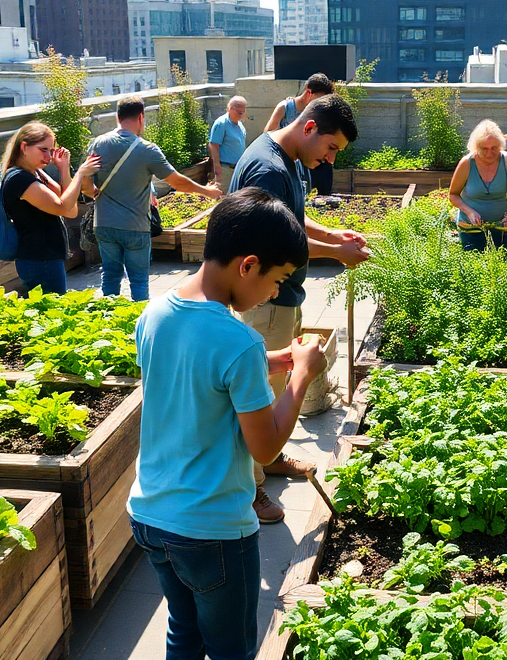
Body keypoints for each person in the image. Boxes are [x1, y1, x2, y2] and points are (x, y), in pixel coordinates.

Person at [128, 188, 327, 660]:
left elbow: (202, 375)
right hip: (212, 531)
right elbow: (264, 448)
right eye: (277, 279)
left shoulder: (155, 312)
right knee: (231, 648)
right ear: (248, 265)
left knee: (185, 630)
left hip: (153, 516)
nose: (276, 291)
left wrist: (275, 359)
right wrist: (300, 375)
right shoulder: (237, 340)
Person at [228, 93, 369, 522]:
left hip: (283, 295)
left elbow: (291, 219)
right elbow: (273, 243)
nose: (329, 160)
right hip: (265, 298)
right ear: (310, 127)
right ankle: (250, 492)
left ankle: (268, 462)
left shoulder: (287, 157)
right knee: (256, 394)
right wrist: (336, 255)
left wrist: (333, 233)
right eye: (330, 149)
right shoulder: (268, 168)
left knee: (271, 388)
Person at [83, 95, 220, 302]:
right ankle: (138, 326)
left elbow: (84, 183)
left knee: (110, 276)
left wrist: (95, 193)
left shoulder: (98, 144)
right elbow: (178, 182)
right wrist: (207, 191)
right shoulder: (147, 149)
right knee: (138, 280)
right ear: (141, 117)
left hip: (103, 224)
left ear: (117, 117)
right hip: (134, 225)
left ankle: (109, 320)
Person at [0, 121, 101, 294]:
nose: (48, 156)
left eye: (51, 150)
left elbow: (70, 209)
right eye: (43, 149)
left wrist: (63, 169)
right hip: (39, 258)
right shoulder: (19, 178)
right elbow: (62, 207)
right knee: (51, 314)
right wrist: (81, 174)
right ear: (24, 147)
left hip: (46, 257)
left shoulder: (35, 172)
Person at [448, 119, 507, 251]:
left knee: (501, 266)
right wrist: (469, 211)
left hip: (500, 226)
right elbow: (453, 195)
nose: (489, 153)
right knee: (474, 266)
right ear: (476, 147)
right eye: (484, 149)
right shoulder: (467, 163)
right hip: (471, 229)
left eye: (494, 148)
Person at [265, 73, 335, 195]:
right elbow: (268, 135)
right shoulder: (285, 108)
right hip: (289, 164)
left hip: (311, 163)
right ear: (309, 92)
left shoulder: (318, 111)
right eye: (319, 99)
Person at [208, 96, 248, 187]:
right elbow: (213, 145)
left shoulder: (240, 124)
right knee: (223, 195)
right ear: (230, 108)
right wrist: (217, 166)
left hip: (237, 168)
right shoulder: (221, 123)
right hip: (225, 168)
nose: (241, 115)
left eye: (243, 112)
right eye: (239, 112)